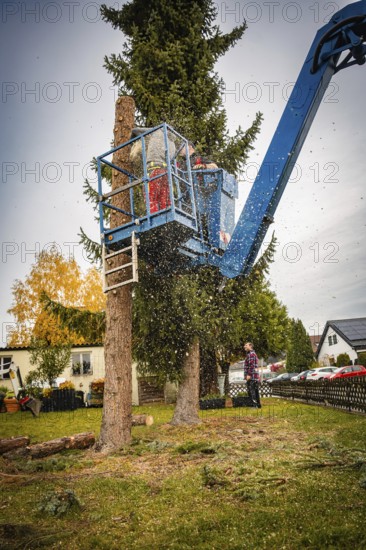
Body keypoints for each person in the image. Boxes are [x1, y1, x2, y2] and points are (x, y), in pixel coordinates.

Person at [131, 127, 176, 213]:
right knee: (164, 199)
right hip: (166, 172)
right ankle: (166, 216)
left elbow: (135, 130)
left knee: (150, 197)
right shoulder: (172, 143)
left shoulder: (157, 131)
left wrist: (132, 142)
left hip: (154, 170)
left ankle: (154, 217)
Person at [243, 342, 261, 408]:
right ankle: (258, 405)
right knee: (255, 391)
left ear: (250, 346)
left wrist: (249, 375)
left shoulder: (251, 354)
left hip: (252, 376)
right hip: (255, 376)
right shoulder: (252, 354)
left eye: (246, 345)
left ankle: (254, 405)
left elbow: (252, 365)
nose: (244, 346)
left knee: (251, 391)